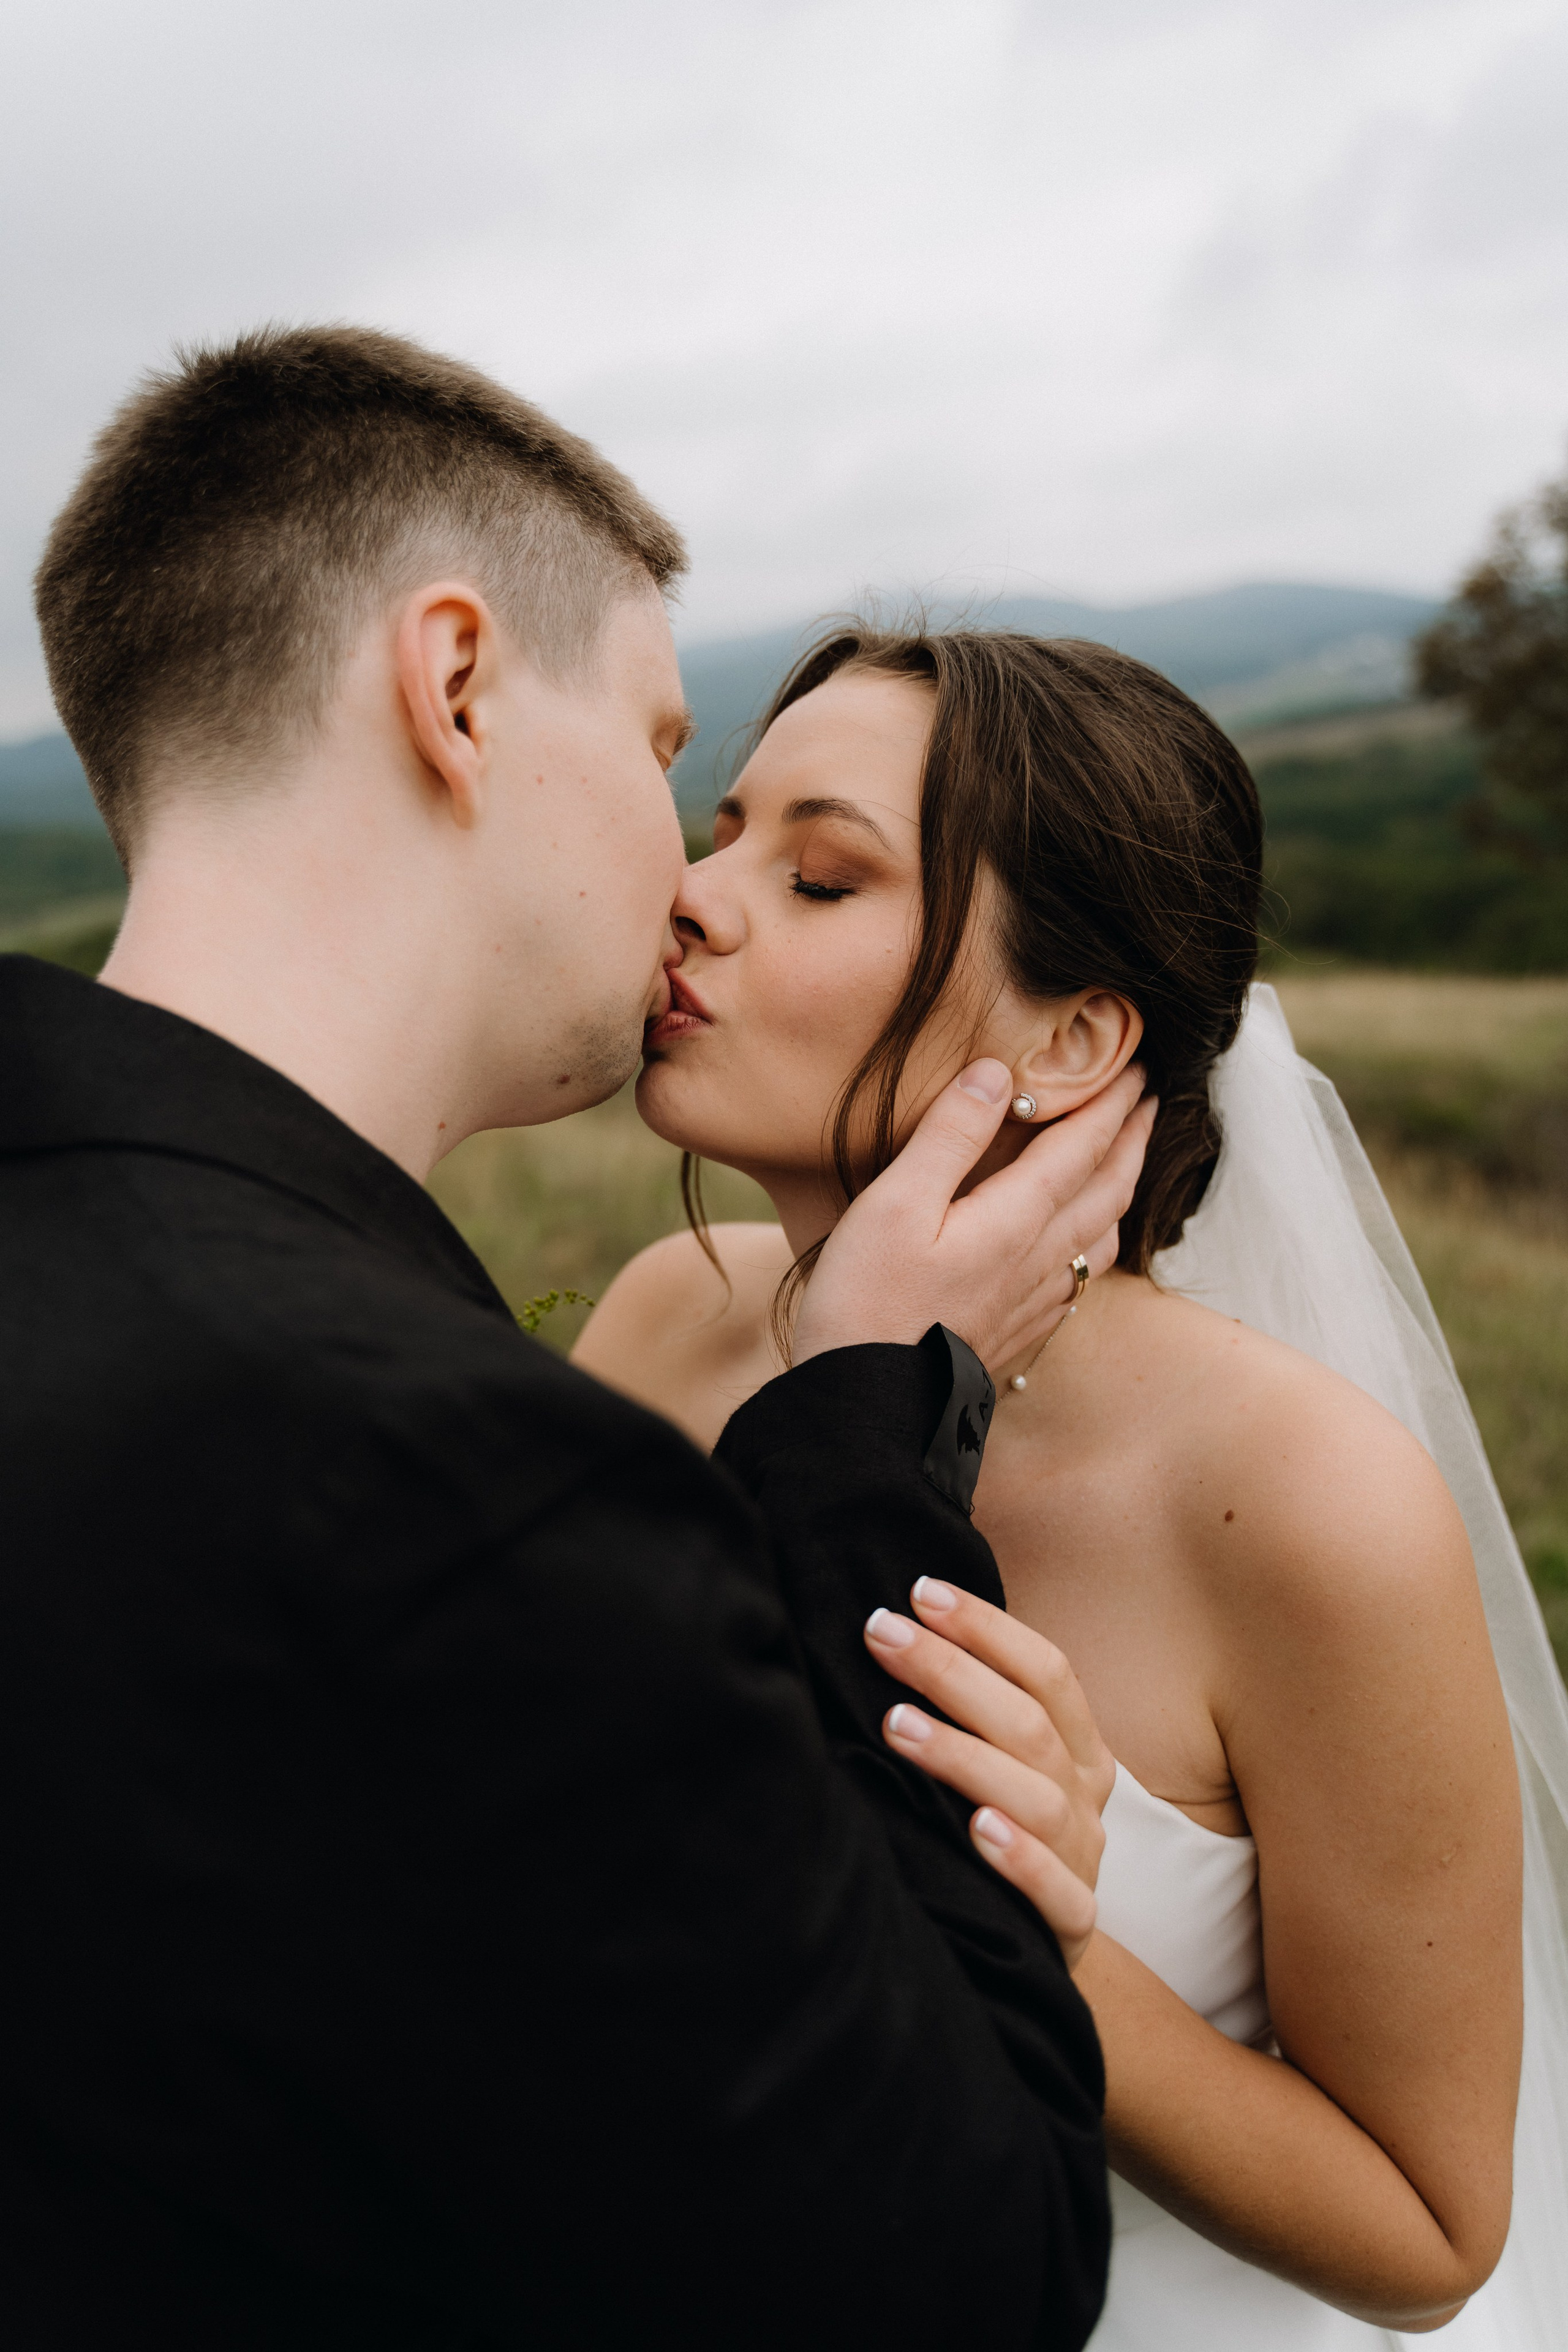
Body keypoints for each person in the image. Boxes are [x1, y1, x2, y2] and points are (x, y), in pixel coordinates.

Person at [0, 332, 1156, 2348]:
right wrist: (860, 1458)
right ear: (455, 689)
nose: (685, 879)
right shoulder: (454, 1480)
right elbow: (965, 2275)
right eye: (656, 746)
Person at [575, 622, 1568, 2347]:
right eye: (721, 834)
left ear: (1071, 1042)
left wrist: (1040, 1942)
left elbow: (1426, 2233)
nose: (689, 895)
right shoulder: (668, 1317)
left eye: (819, 878)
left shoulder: (1298, 1498)